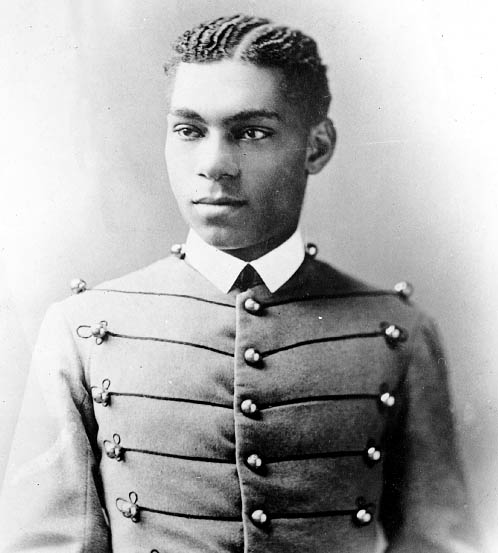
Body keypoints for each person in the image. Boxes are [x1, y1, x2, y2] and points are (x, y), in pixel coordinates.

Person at [0, 13, 479, 553]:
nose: (213, 165)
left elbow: (439, 542)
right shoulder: (83, 331)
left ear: (316, 146)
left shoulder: (398, 333)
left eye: (251, 132)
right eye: (189, 131)